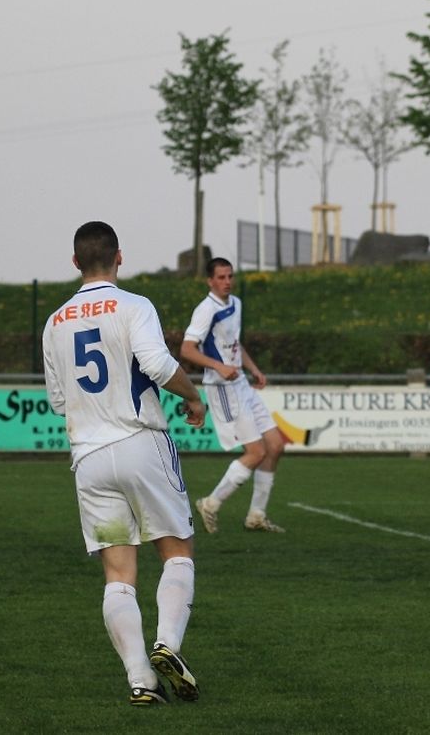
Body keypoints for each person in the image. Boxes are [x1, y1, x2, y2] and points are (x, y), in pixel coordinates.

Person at [42, 221, 207, 706]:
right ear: (119, 257)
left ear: (75, 262)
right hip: (140, 443)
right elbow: (156, 364)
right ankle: (167, 645)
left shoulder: (55, 322)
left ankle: (140, 680)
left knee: (118, 574)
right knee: (177, 551)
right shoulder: (134, 305)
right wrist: (193, 396)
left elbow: (58, 401)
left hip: (90, 458)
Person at [182, 257, 286, 534]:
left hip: (241, 383)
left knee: (275, 445)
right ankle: (210, 504)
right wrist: (219, 366)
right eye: (221, 277)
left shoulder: (236, 303)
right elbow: (187, 349)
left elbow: (234, 344)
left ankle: (256, 516)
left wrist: (253, 369)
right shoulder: (206, 310)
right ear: (210, 281)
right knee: (256, 452)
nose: (227, 281)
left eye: (230, 276)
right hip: (223, 388)